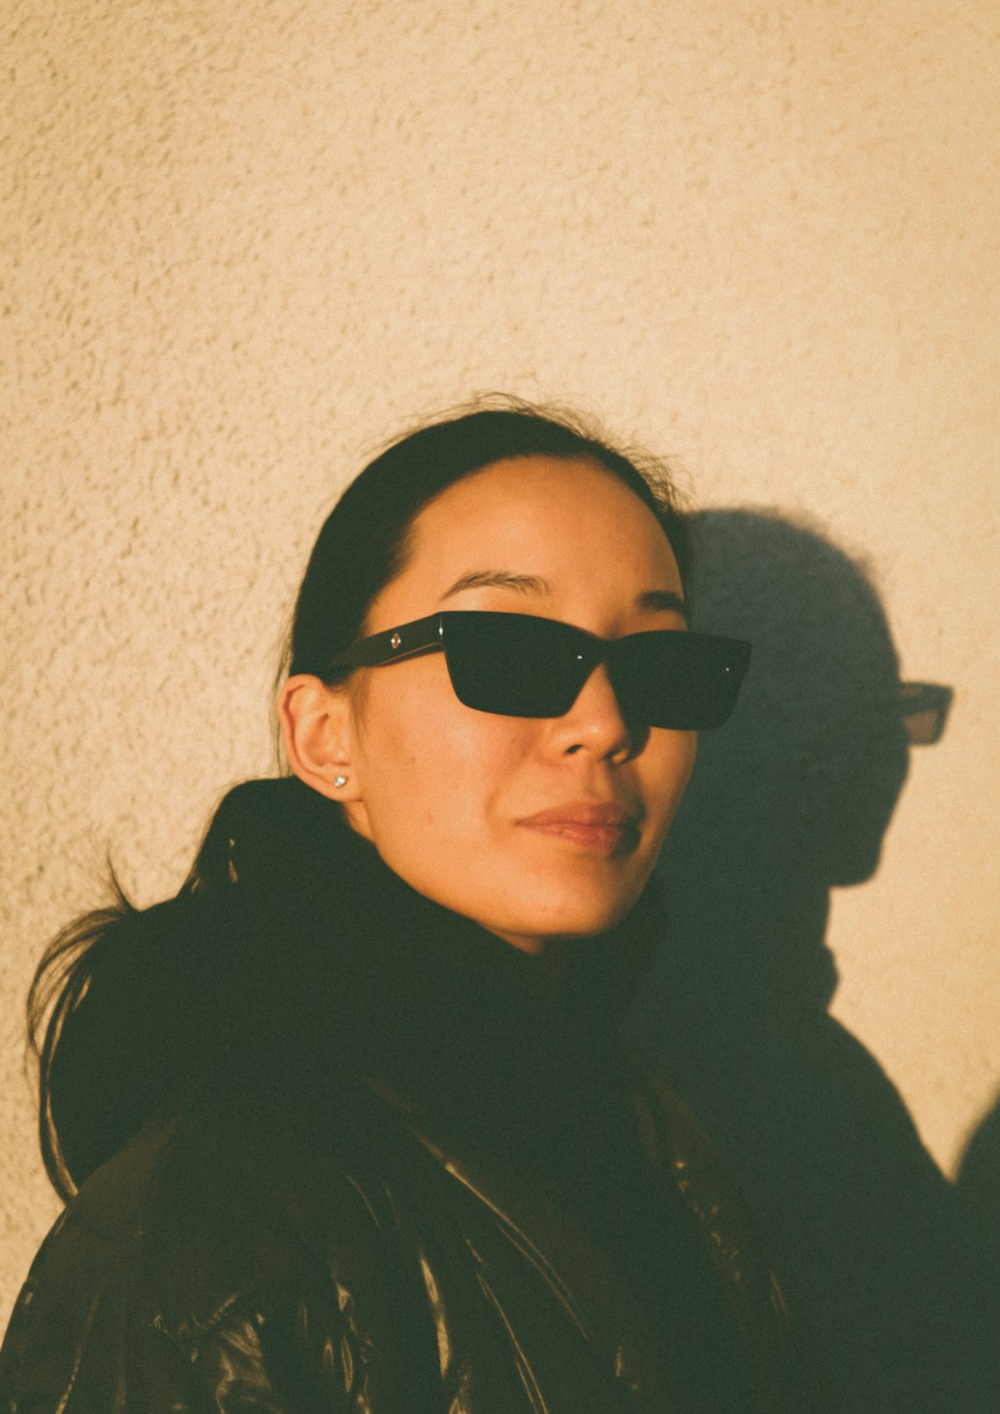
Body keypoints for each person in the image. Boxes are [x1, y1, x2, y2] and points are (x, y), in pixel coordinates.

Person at [1, 401, 799, 1413]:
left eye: (659, 664)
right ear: (325, 734)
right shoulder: (234, 1204)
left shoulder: (627, 1114)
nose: (604, 722)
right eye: (508, 651)